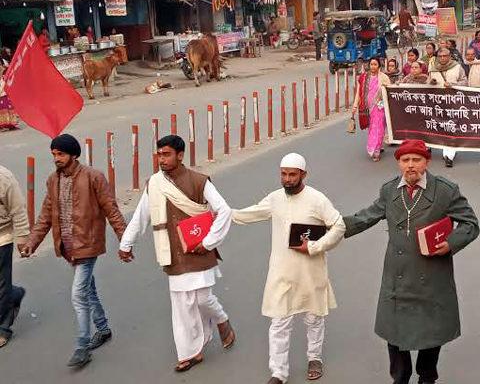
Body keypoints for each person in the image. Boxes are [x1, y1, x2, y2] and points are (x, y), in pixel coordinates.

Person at [343, 139, 480, 384]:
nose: (410, 166)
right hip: (397, 278)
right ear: (398, 164)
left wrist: (450, 244)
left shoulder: (445, 191)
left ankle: (427, 377)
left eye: (416, 160)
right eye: (405, 160)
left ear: (426, 162)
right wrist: (331, 228)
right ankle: (400, 377)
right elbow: (366, 217)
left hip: (432, 276)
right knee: (395, 333)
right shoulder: (389, 191)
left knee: (432, 332)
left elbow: (470, 224)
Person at [118, 135, 235, 372]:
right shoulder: (155, 184)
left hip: (199, 249)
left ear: (180, 155)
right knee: (182, 305)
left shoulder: (199, 181)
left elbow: (224, 211)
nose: (161, 159)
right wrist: (126, 243)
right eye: (159, 154)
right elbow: (142, 215)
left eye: (167, 154)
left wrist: (209, 241)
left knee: (202, 299)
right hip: (172, 252)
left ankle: (222, 319)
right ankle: (191, 352)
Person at [231, 153, 346, 384]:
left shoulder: (317, 199)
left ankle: (314, 357)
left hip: (311, 270)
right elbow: (250, 213)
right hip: (281, 271)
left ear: (304, 174)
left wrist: (315, 246)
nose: (287, 179)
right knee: (279, 322)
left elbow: (338, 225)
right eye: (283, 174)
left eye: (292, 174)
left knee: (313, 318)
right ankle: (278, 372)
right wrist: (223, 213)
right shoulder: (275, 199)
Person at [18, 134, 127, 368]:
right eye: (54, 154)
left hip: (87, 245)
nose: (57, 158)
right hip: (67, 248)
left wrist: (125, 240)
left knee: (78, 294)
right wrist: (31, 243)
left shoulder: (93, 177)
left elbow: (111, 209)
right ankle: (103, 328)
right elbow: (46, 215)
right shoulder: (53, 181)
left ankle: (82, 346)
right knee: (88, 290)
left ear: (74, 155)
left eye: (61, 154)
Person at [0, 165, 29, 348]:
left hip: (2, 237)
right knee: (4, 287)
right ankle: (15, 293)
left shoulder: (4, 178)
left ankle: (3, 328)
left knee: (1, 283)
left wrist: (23, 237)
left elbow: (18, 209)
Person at [352, 57, 392, 162]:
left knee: (378, 128)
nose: (373, 66)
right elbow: (358, 92)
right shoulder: (363, 77)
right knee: (371, 128)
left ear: (379, 66)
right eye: (371, 64)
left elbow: (390, 92)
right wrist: (355, 105)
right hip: (366, 108)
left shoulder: (384, 77)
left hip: (380, 107)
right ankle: (374, 147)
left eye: (375, 64)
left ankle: (376, 151)